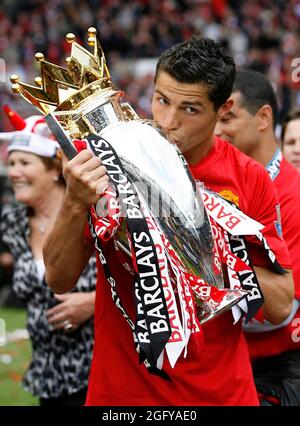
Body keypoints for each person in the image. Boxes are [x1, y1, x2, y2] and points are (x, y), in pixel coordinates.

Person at [43, 36, 294, 406]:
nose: (169, 121)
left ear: (222, 110)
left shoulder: (247, 177)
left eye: (190, 109)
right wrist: (74, 202)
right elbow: (59, 279)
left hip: (223, 393)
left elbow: (280, 305)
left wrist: (205, 239)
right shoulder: (107, 163)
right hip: (124, 394)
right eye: (161, 100)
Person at [0, 107, 97, 406]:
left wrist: (94, 302)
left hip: (96, 369)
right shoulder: (12, 223)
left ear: (55, 169)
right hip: (49, 374)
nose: (14, 172)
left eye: (24, 163)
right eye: (11, 162)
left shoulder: (93, 213)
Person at [215, 69, 300, 405]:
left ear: (264, 117)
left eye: (228, 118)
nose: (216, 131)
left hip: (278, 372)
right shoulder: (221, 184)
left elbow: (284, 308)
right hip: (229, 365)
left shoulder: (292, 194)